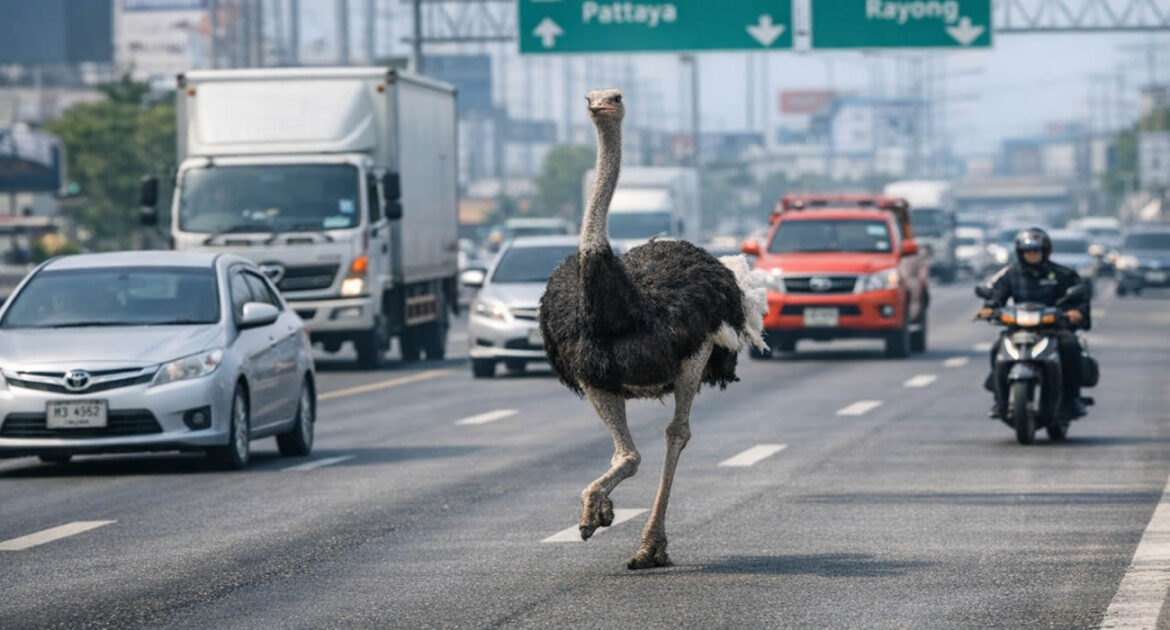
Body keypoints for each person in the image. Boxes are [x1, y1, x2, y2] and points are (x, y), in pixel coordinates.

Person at [976, 227, 1091, 418]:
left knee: (1070, 345)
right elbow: (996, 295)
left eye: (1036, 251)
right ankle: (1000, 402)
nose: (1032, 255)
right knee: (997, 349)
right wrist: (989, 308)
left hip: (1053, 328)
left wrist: (1076, 312)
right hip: (1018, 328)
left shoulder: (1062, 274)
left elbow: (1080, 297)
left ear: (1045, 251)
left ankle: (1072, 398)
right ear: (1020, 253)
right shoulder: (1010, 274)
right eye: (1028, 252)